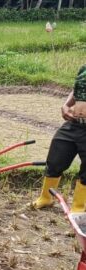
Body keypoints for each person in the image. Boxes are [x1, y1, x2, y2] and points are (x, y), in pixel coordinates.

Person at [32, 65, 86, 211]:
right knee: (55, 160)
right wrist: (66, 105)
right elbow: (77, 90)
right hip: (73, 124)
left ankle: (78, 208)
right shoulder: (84, 69)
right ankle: (46, 198)